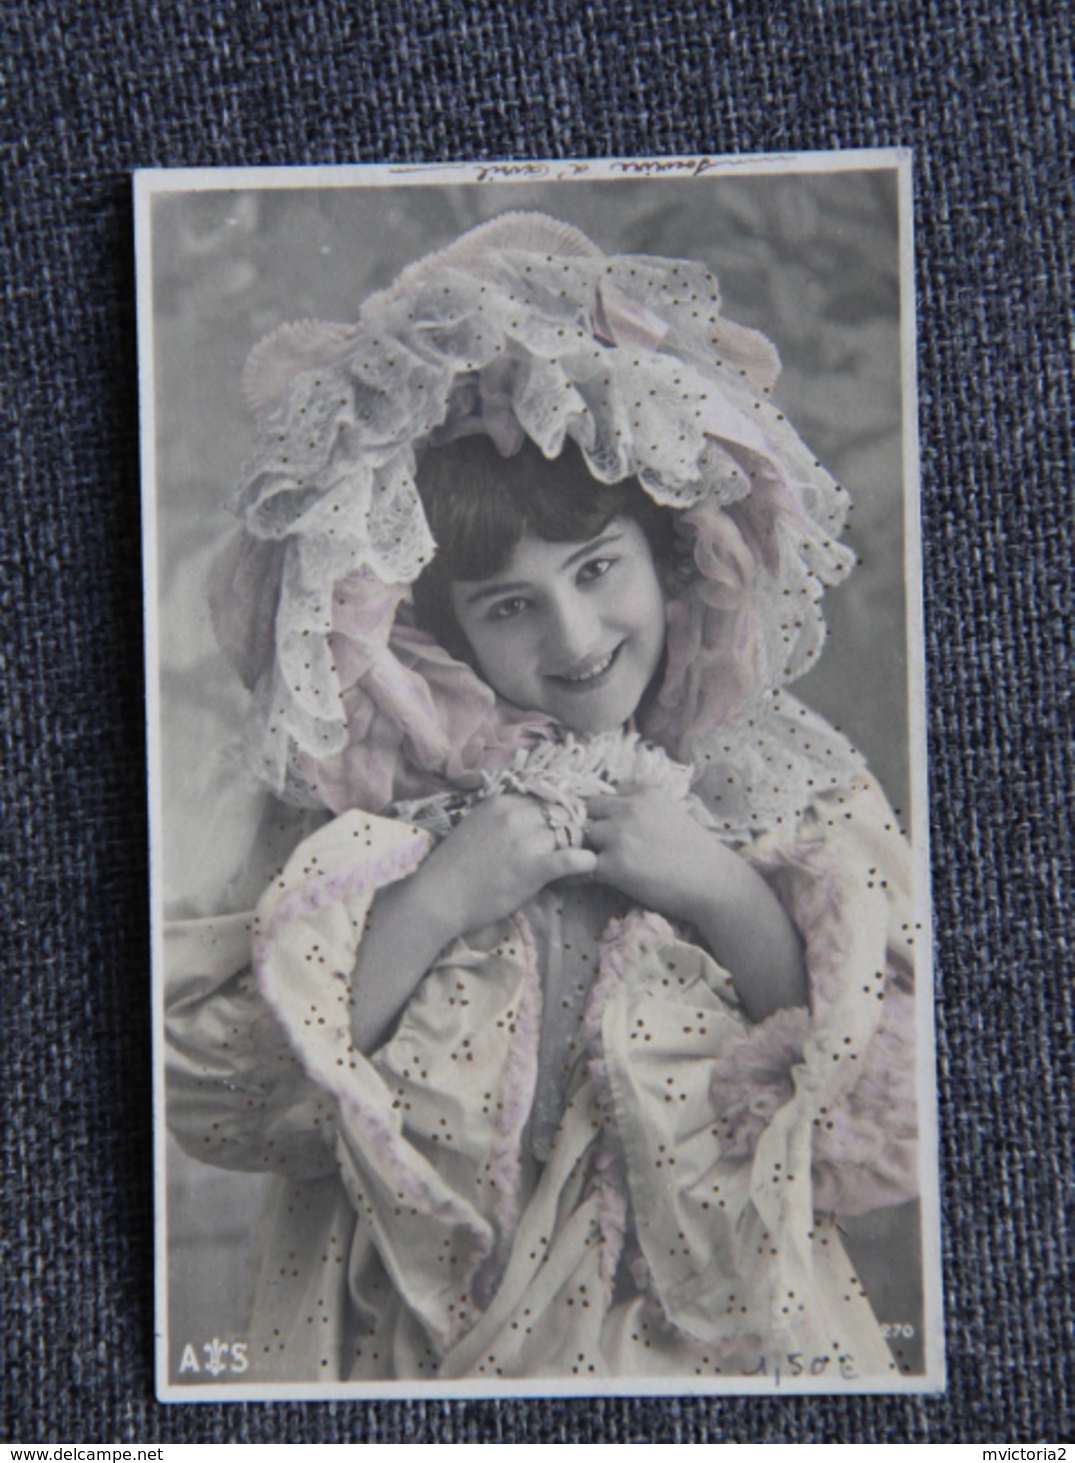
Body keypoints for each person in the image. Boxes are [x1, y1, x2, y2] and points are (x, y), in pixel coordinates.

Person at [166, 212, 919, 1385]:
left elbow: (882, 1104)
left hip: (700, 1354)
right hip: (416, 1349)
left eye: (595, 569)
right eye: (509, 606)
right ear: (437, 627)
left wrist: (721, 890)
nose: (573, 637)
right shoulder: (368, 820)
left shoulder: (771, 789)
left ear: (667, 554)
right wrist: (434, 904)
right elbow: (224, 1097)